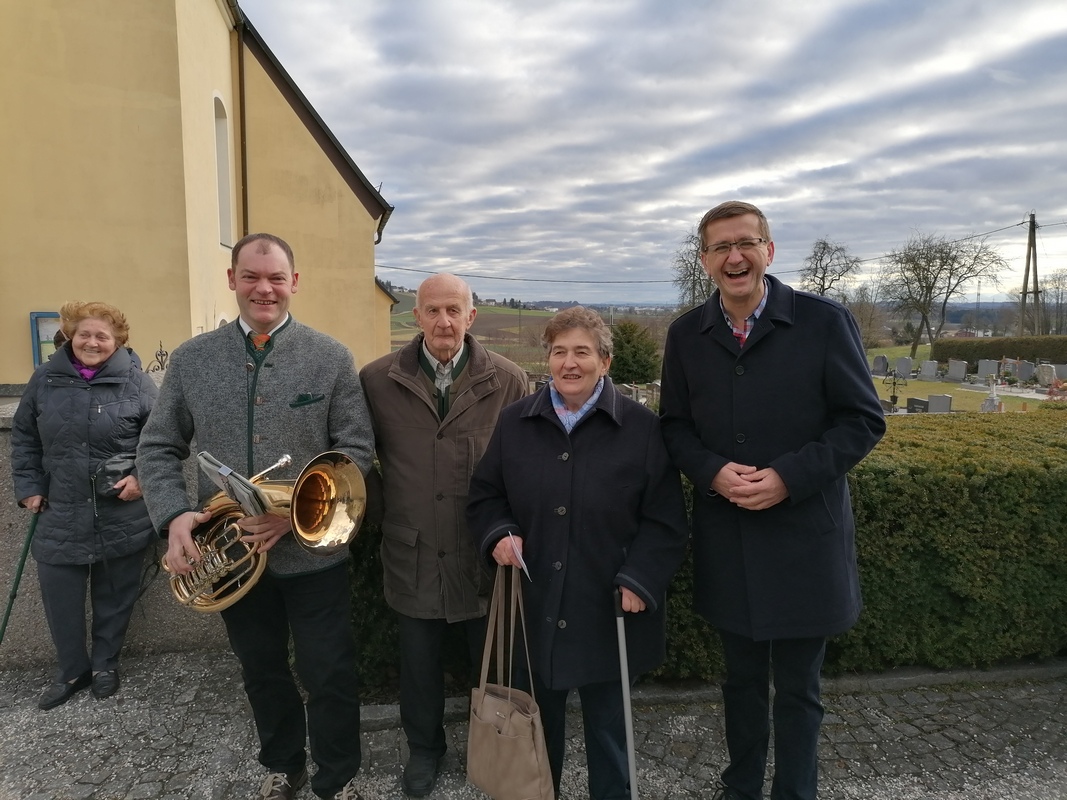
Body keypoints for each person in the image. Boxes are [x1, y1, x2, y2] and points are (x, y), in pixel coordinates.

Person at [658, 201, 886, 800]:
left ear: (769, 250)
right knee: (738, 682)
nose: (734, 257)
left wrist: (788, 477)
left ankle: (795, 790)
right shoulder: (686, 335)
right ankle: (741, 788)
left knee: (799, 689)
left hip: (803, 538)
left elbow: (861, 421)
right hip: (728, 537)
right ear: (705, 261)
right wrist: (711, 472)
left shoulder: (824, 323)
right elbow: (674, 428)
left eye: (746, 243)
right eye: (719, 248)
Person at [136, 233, 374, 800]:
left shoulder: (331, 356)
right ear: (232, 280)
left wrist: (293, 517)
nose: (263, 288)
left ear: (294, 282)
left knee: (329, 674)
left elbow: (357, 452)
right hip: (230, 559)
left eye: (275, 277)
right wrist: (172, 515)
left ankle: (336, 780)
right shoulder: (194, 360)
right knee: (262, 672)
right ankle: (283, 766)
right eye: (251, 276)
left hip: (315, 553)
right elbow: (157, 447)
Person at [468, 306, 689, 800]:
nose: (570, 363)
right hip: (535, 608)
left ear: (604, 362)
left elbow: (666, 521)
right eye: (559, 351)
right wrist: (499, 532)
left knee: (610, 737)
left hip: (608, 610)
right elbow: (485, 495)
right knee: (535, 737)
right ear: (547, 358)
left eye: (582, 352)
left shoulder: (642, 428)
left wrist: (641, 578)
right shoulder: (515, 423)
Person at [359, 273, 527, 796]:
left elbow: (526, 469)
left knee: (491, 663)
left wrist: (513, 531)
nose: (444, 322)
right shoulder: (376, 380)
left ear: (471, 316)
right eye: (432, 310)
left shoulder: (510, 380)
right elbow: (360, 462)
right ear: (415, 316)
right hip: (413, 550)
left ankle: (492, 749)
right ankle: (425, 750)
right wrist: (388, 518)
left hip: (483, 552)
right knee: (419, 666)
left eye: (454, 310)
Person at [11, 301, 158, 709]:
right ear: (70, 337)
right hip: (59, 508)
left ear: (118, 342)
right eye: (84, 334)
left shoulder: (138, 383)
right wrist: (29, 486)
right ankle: (71, 670)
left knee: (116, 594)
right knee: (61, 596)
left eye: (102, 336)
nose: (92, 342)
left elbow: (163, 439)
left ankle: (106, 665)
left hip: (120, 509)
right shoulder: (45, 380)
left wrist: (143, 478)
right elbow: (24, 437)